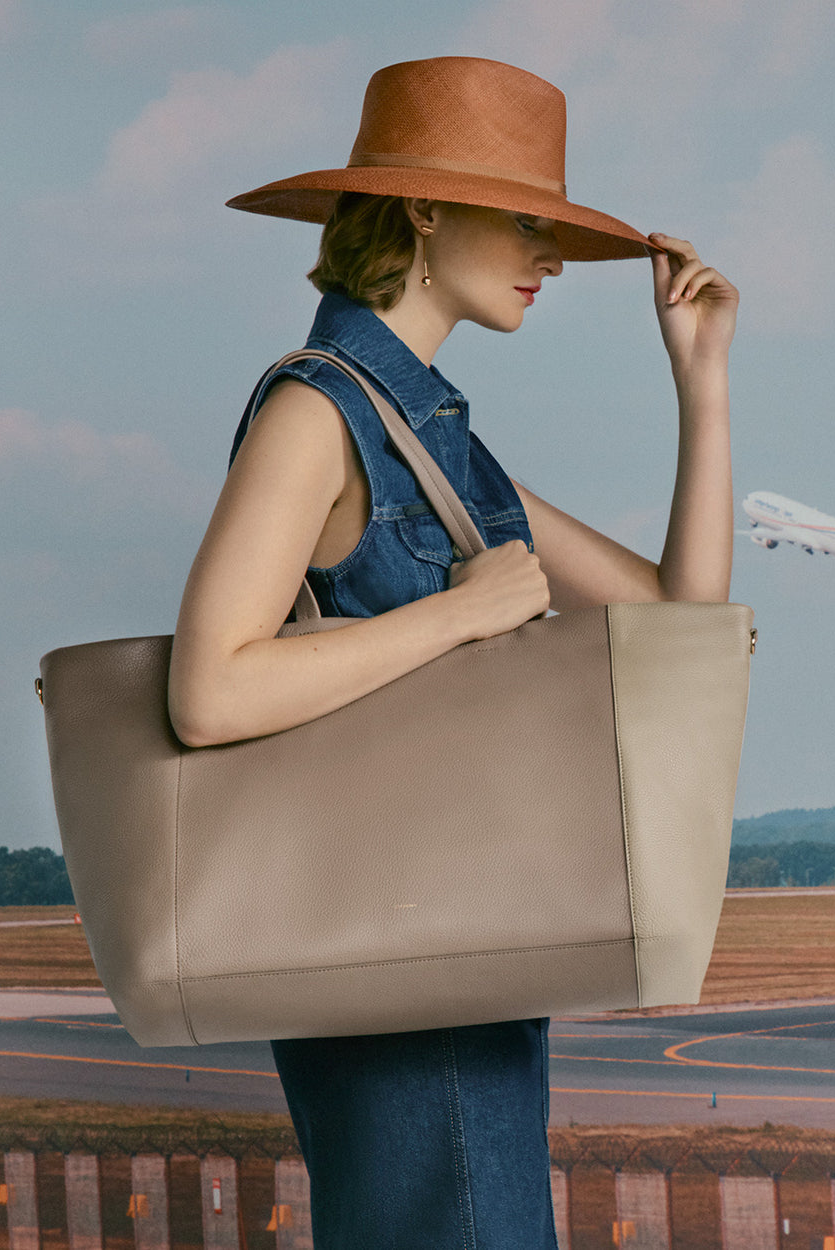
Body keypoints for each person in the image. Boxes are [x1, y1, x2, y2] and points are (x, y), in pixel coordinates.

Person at [168, 55, 737, 1250]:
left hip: (455, 940)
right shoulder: (315, 414)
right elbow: (210, 687)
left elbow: (676, 622)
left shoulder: (433, 440)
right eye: (525, 220)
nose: (546, 259)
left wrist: (702, 388)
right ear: (423, 209)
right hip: (389, 953)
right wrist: (456, 614)